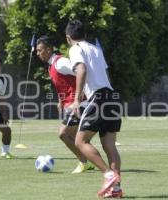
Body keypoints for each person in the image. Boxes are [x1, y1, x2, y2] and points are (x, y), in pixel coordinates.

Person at [65, 20, 123, 198]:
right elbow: (103, 75)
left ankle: (109, 175)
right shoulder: (96, 49)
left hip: (98, 98)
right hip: (112, 97)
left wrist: (76, 99)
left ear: (68, 38)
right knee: (110, 146)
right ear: (85, 34)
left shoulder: (75, 49)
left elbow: (81, 70)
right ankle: (116, 189)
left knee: (80, 142)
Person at [36, 35, 94, 174]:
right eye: (37, 51)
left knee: (63, 134)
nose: (38, 53)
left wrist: (78, 98)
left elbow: (81, 72)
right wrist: (61, 100)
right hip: (72, 104)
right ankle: (89, 160)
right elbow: (65, 84)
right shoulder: (52, 65)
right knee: (77, 138)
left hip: (80, 104)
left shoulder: (60, 62)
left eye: (40, 50)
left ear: (49, 49)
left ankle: (83, 162)